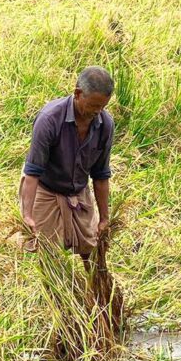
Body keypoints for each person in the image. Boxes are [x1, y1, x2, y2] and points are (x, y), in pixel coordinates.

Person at [19, 66, 114, 259]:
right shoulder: (49, 119)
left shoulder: (105, 124)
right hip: (45, 190)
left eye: (103, 106)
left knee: (92, 249)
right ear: (78, 93)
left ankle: (94, 285)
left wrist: (104, 217)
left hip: (78, 191)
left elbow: (101, 175)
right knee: (47, 254)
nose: (98, 112)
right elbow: (32, 171)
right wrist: (27, 214)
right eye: (94, 106)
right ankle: (53, 288)